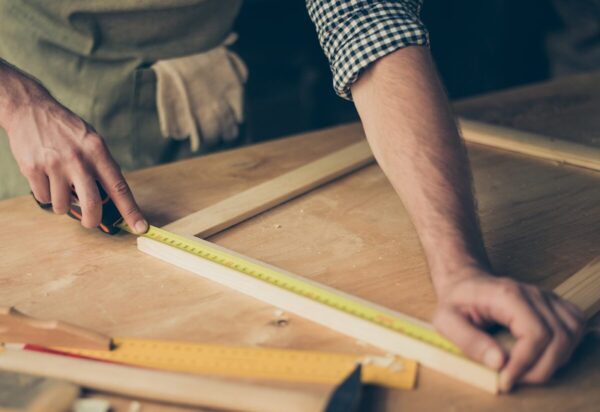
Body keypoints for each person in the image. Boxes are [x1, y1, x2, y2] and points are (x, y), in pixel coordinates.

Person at [0, 0, 585, 393]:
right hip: (33, 108)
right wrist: (16, 100)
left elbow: (367, 26)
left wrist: (459, 267)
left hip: (206, 103)